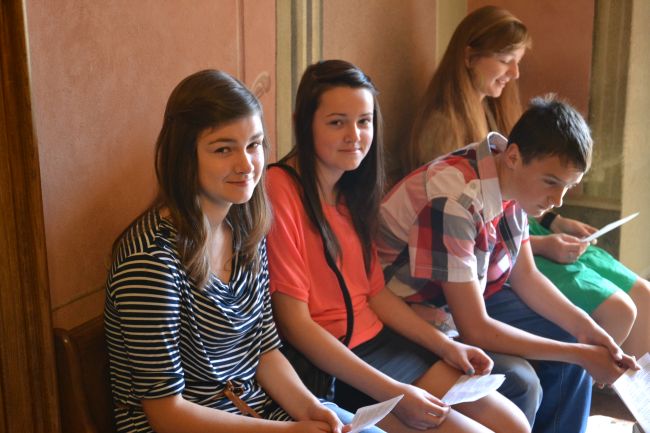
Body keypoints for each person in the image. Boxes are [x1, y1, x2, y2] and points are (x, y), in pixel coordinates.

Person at [266, 59, 530, 433]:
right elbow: (295, 325)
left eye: (364, 121)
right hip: (333, 364)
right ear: (302, 123)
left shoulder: (350, 189)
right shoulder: (280, 190)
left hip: (381, 341)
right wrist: (396, 393)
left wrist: (446, 346)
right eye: (337, 122)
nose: (354, 135)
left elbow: (375, 294)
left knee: (514, 424)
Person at [105, 69, 361, 433]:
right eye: (223, 149)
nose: (246, 165)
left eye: (254, 145)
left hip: (259, 413)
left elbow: (265, 351)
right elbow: (167, 415)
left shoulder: (244, 228)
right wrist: (289, 432)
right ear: (184, 156)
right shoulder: (150, 261)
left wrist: (310, 409)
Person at [378, 95, 639, 433]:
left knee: (574, 343)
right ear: (514, 156)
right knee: (524, 381)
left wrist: (587, 330)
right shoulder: (455, 199)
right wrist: (578, 353)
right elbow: (475, 328)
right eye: (551, 182)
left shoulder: (509, 176)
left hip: (463, 292)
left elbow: (527, 277)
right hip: (409, 308)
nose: (557, 200)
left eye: (568, 187)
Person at [404, 4, 650, 353]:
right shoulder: (447, 143)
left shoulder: (494, 111)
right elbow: (457, 230)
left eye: (518, 61)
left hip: (517, 229)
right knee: (618, 310)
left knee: (642, 293)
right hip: (485, 247)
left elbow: (515, 202)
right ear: (469, 57)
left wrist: (554, 221)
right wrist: (544, 244)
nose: (516, 73)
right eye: (506, 60)